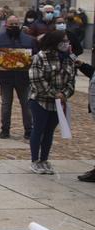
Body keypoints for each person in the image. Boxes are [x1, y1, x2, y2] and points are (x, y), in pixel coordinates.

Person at [27, 30, 75, 175]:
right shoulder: (41, 57)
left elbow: (71, 81)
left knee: (49, 132)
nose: (66, 43)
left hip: (58, 103)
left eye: (67, 41)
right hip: (40, 100)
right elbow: (36, 80)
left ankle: (44, 159)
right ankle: (35, 160)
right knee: (38, 129)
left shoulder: (68, 59)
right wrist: (55, 94)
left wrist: (64, 94)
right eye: (63, 41)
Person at [0, 15, 35, 140]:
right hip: (5, 77)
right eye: (11, 24)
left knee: (26, 105)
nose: (14, 27)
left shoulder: (29, 40)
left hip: (23, 77)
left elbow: (37, 54)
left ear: (20, 25)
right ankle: (5, 129)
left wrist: (34, 58)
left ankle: (29, 130)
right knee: (6, 104)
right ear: (6, 25)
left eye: (16, 24)